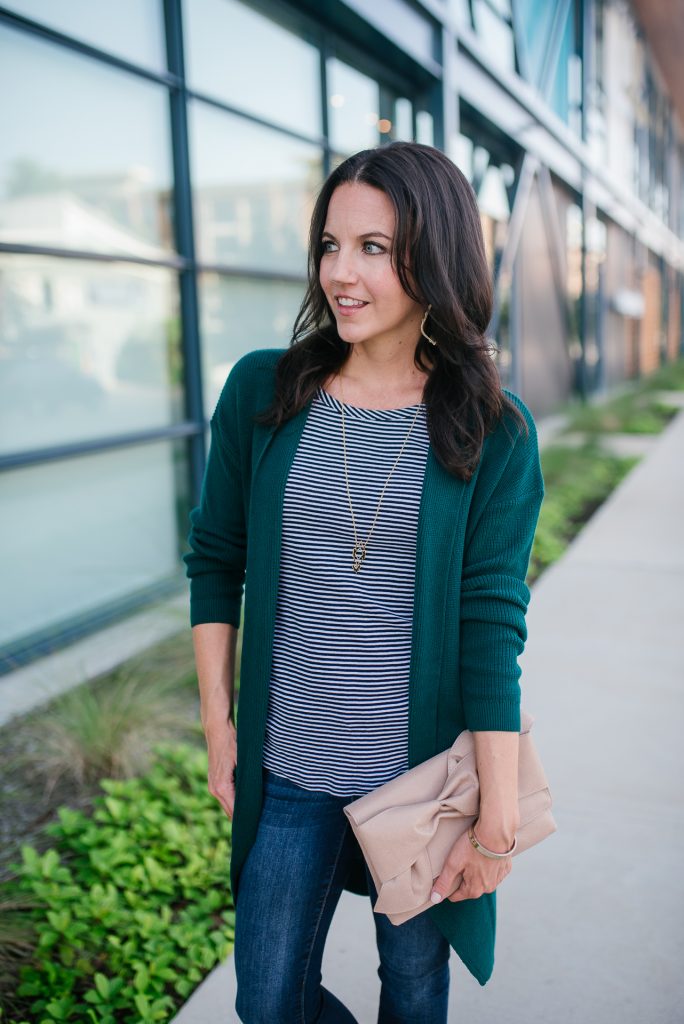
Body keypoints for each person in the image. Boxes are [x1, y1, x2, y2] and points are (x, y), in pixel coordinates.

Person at [183, 141, 545, 1023]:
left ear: (436, 257)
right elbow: (216, 559)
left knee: (414, 996)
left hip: (420, 790)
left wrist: (495, 818)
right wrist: (219, 726)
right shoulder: (264, 392)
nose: (341, 273)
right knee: (268, 1000)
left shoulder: (490, 429)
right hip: (292, 767)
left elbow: (492, 626)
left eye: (374, 249)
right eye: (330, 245)